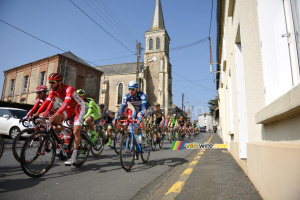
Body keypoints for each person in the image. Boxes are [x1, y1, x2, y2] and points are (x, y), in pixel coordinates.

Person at [32, 73, 85, 166]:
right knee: (54, 119)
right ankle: (66, 134)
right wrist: (37, 113)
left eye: (53, 82)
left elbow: (66, 102)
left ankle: (73, 157)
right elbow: (46, 103)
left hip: (79, 108)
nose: (50, 84)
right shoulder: (53, 91)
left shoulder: (69, 89)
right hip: (69, 108)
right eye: (49, 82)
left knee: (76, 131)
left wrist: (57, 114)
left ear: (59, 82)